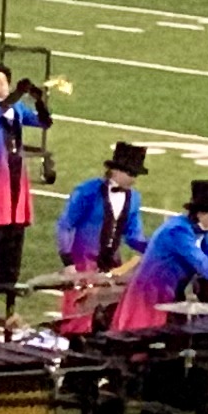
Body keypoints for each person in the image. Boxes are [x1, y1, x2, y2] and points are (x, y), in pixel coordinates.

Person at [113, 175, 208, 334]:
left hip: (172, 294)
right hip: (150, 295)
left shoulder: (203, 232)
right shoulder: (178, 232)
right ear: (202, 213)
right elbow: (205, 266)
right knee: (144, 343)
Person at [0, 62, 49, 303]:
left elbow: (44, 122)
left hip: (17, 172)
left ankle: (8, 278)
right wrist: (17, 95)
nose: (3, 85)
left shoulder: (18, 109)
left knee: (15, 227)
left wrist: (38, 99)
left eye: (6, 81)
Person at [56, 139, 152, 337]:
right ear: (115, 171)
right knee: (78, 318)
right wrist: (68, 262)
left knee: (110, 312)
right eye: (130, 173)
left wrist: (155, 248)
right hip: (83, 264)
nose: (133, 179)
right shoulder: (87, 192)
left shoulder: (134, 198)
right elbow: (66, 225)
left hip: (112, 264)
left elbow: (133, 236)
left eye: (135, 175)